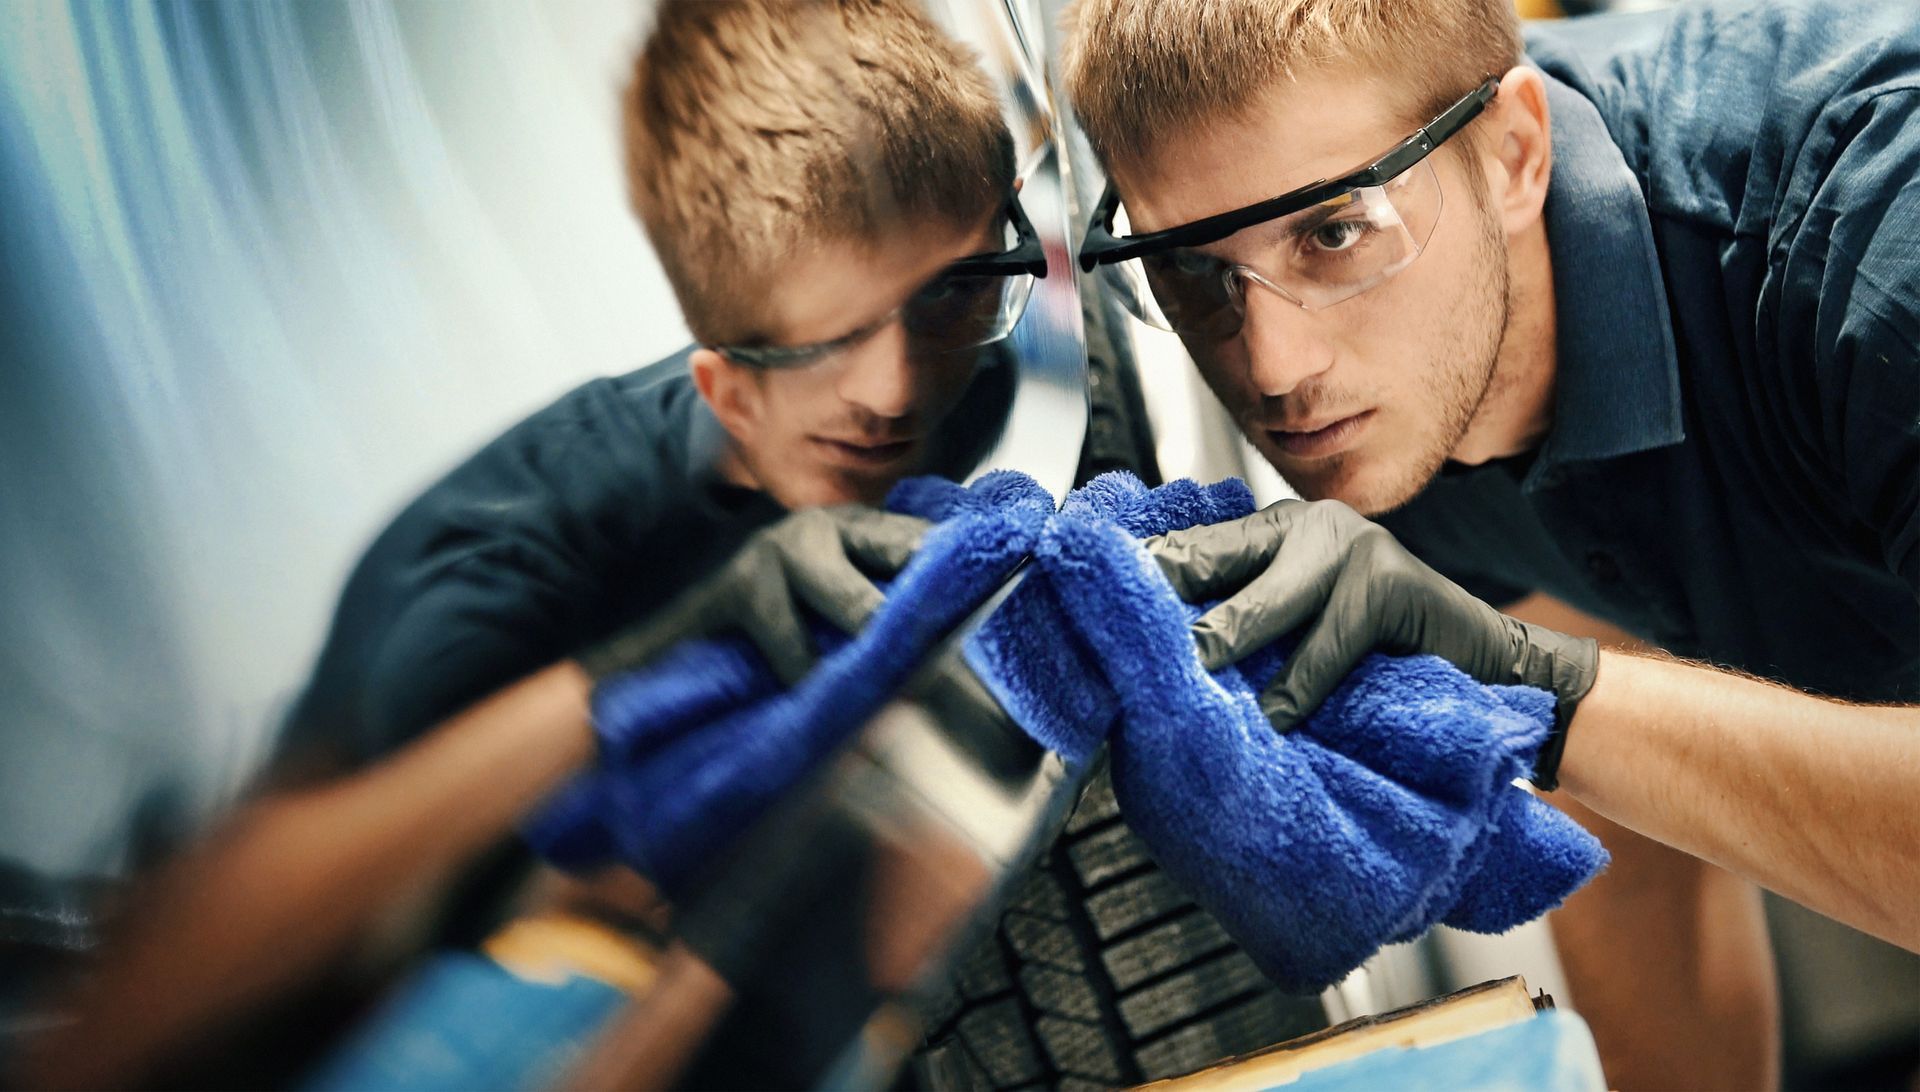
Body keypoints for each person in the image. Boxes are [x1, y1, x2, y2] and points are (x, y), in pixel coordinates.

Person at [10, 2, 1036, 1086]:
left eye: (950, 295)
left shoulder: (964, 377)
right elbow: (121, 1017)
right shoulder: (488, 569)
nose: (893, 392)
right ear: (720, 382)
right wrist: (605, 691)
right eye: (825, 344)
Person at [1061, 0, 1919, 1088]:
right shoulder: (1389, 395)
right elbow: (1645, 862)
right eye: (1190, 268)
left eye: (1332, 231)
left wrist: (1531, 688)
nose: (1273, 366)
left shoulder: (1871, 237)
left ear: (1514, 152)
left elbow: (1573, 692)